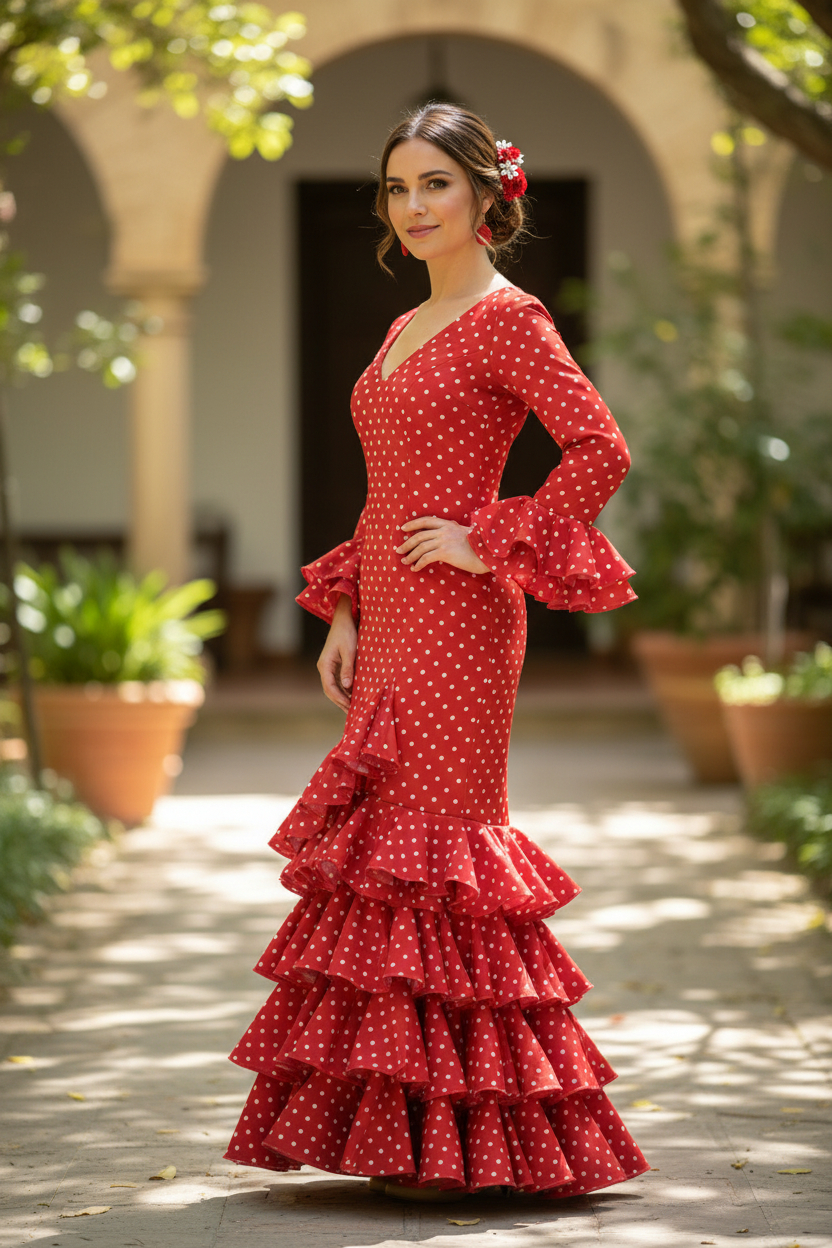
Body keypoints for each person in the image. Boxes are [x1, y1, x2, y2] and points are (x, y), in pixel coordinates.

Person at [224, 103, 648, 1200]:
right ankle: (400, 1130)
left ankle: (472, 1139)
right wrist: (350, 610)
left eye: (435, 186)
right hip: (395, 615)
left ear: (485, 196)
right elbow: (382, 492)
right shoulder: (402, 325)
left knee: (445, 857)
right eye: (397, 188)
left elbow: (602, 445)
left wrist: (490, 537)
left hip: (465, 618)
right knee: (386, 851)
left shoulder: (511, 318)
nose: (412, 207)